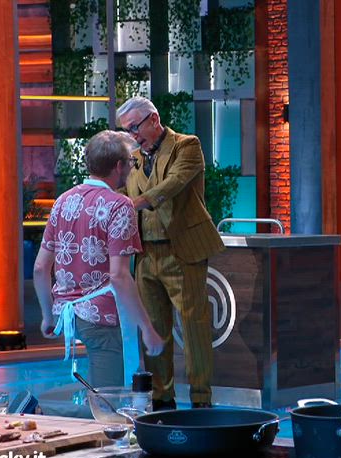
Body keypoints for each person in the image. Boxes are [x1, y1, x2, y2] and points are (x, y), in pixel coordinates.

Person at [32, 130, 165, 396]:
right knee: (109, 402)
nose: (132, 168)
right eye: (131, 162)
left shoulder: (63, 201)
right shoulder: (119, 206)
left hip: (67, 316)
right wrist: (147, 328)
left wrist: (47, 315)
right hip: (102, 318)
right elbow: (119, 276)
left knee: (93, 395)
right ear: (119, 166)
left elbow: (40, 268)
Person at [116, 96, 225, 410]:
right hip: (145, 254)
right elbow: (121, 191)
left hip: (182, 251)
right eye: (126, 130)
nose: (132, 135)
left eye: (134, 127)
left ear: (153, 119)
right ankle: (162, 400)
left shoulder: (186, 146)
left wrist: (134, 203)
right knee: (153, 329)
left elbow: (173, 184)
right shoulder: (133, 157)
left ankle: (201, 400)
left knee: (193, 328)